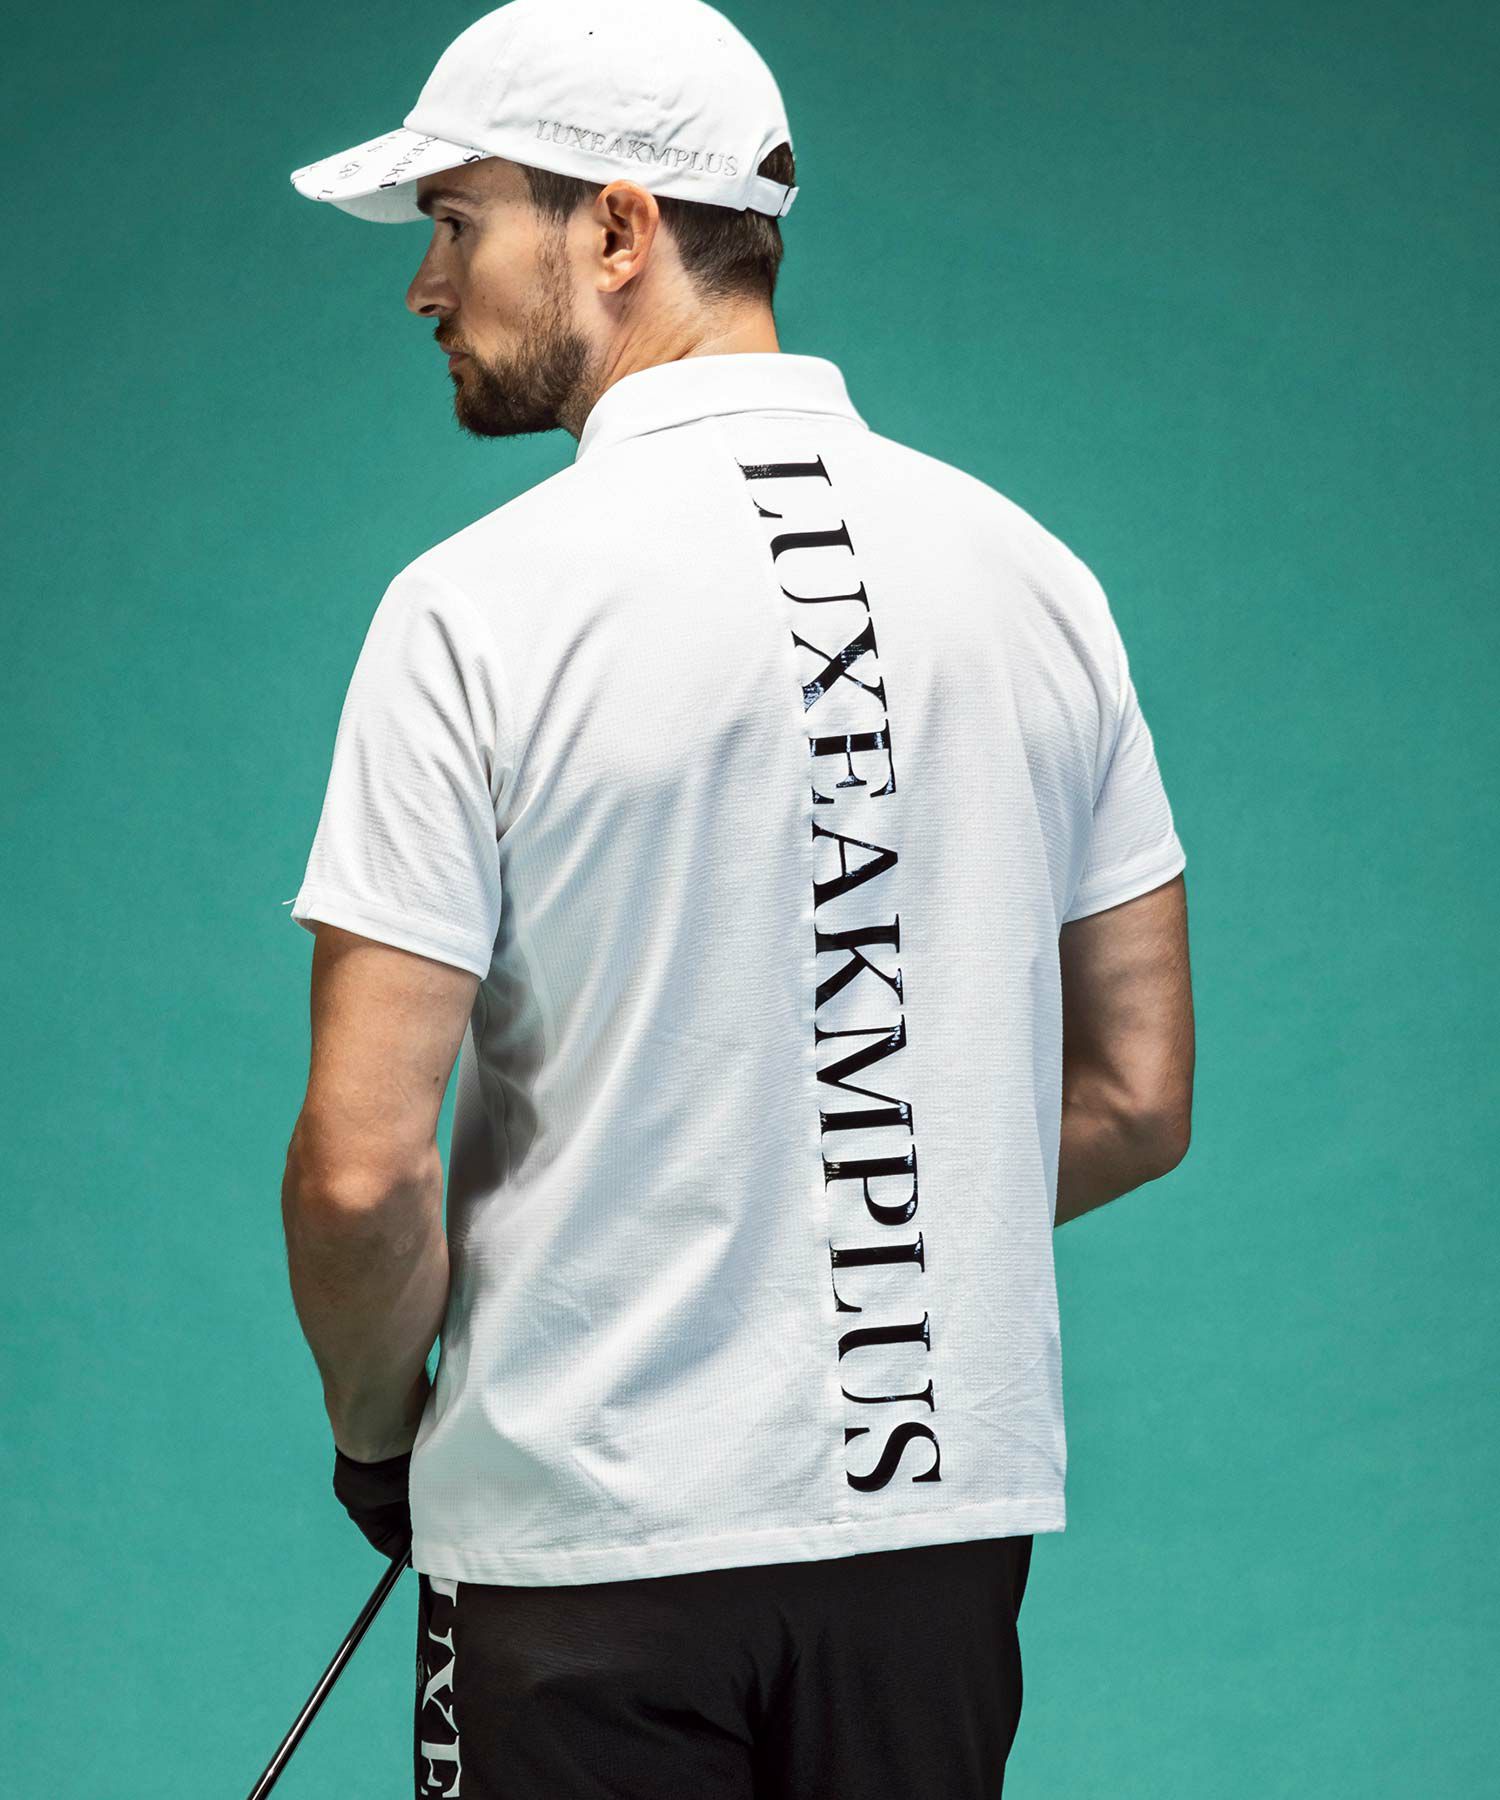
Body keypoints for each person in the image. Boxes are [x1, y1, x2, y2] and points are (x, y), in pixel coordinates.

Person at [278, 2, 1195, 1794]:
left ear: (619, 229)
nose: (423, 286)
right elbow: (1137, 1096)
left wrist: (384, 1441)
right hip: (933, 1538)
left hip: (588, 1537)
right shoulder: (1035, 579)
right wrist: (828, 1248)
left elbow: (365, 1171)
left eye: (456, 222)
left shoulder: (477, 609)